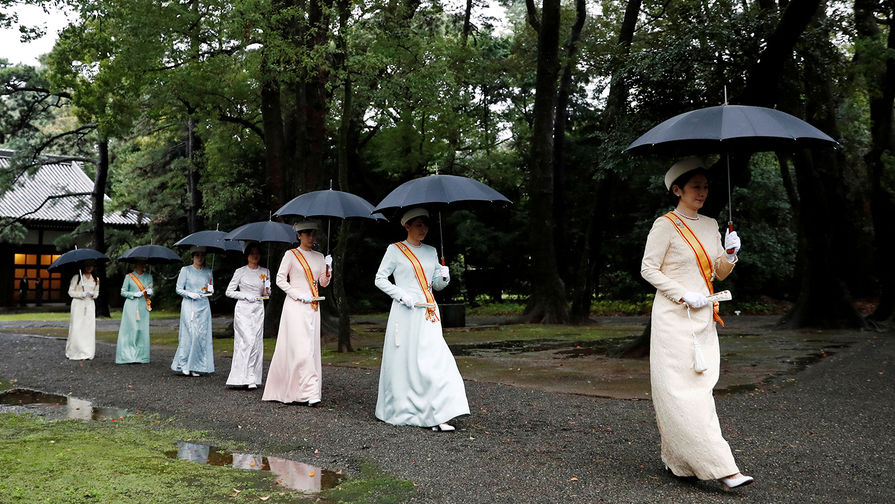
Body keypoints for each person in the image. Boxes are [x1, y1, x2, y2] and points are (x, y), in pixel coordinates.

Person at [639, 157, 752, 489]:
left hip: (704, 316)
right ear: (678, 190)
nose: (702, 192)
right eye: (695, 187)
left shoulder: (711, 224)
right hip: (674, 317)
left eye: (705, 186)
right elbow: (649, 269)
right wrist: (683, 294)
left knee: (700, 388)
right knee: (682, 392)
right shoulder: (666, 225)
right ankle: (723, 468)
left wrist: (730, 255)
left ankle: (679, 461)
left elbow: (717, 272)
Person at [373, 207, 469, 431]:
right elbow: (380, 279)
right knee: (407, 362)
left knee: (437, 361)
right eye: (418, 225)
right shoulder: (395, 250)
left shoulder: (431, 251)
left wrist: (443, 276)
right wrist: (401, 295)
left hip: (429, 313)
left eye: (425, 225)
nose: (423, 229)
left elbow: (435, 284)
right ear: (407, 226)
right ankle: (404, 409)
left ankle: (439, 412)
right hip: (405, 313)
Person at [263, 221, 332, 405]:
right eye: (307, 234)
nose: (311, 237)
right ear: (299, 236)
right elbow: (279, 279)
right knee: (300, 349)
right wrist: (298, 294)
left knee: (310, 348)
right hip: (295, 306)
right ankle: (308, 393)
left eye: (313, 234)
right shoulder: (291, 255)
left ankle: (306, 391)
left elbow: (323, 283)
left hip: (314, 306)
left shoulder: (319, 256)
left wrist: (328, 269)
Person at [225, 242, 270, 389]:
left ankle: (253, 376)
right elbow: (229, 291)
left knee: (256, 341)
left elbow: (266, 293)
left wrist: (267, 290)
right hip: (243, 310)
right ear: (247, 255)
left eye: (257, 253)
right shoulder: (240, 271)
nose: (255, 256)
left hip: (258, 308)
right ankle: (242, 376)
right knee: (246, 341)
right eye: (252, 253)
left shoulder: (265, 272)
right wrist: (244, 296)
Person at [171, 246, 215, 377]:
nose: (200, 258)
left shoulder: (208, 271)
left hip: (203, 305)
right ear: (192, 257)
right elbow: (178, 289)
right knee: (190, 334)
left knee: (201, 335)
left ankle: (195, 365)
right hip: (189, 305)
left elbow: (210, 288)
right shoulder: (186, 270)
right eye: (197, 255)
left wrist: (210, 291)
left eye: (202, 255)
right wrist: (190, 294)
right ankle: (184, 363)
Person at [116, 259, 153, 364]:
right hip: (131, 305)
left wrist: (151, 292)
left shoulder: (149, 276)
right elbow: (123, 292)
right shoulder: (129, 277)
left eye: (144, 263)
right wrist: (133, 294)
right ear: (136, 264)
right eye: (140, 263)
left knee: (142, 329)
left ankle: (142, 356)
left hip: (143, 305)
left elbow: (151, 292)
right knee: (131, 329)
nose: (142, 265)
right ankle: (128, 356)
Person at [66, 261, 100, 360]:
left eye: (91, 265)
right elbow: (70, 292)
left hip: (89, 304)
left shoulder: (96, 279)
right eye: (88, 265)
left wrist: (93, 294)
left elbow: (97, 293)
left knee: (88, 327)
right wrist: (81, 294)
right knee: (77, 327)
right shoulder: (77, 277)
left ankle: (88, 351)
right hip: (78, 304)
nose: (89, 267)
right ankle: (75, 350)